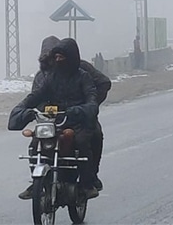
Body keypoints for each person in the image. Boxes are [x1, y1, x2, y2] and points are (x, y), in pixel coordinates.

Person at [17, 36, 111, 199]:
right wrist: (28, 109)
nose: (55, 60)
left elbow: (103, 83)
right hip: (51, 119)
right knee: (35, 143)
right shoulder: (43, 76)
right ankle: (37, 182)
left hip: (79, 116)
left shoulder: (81, 70)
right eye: (51, 57)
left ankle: (89, 178)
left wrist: (89, 107)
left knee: (92, 136)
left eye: (58, 56)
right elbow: (36, 96)